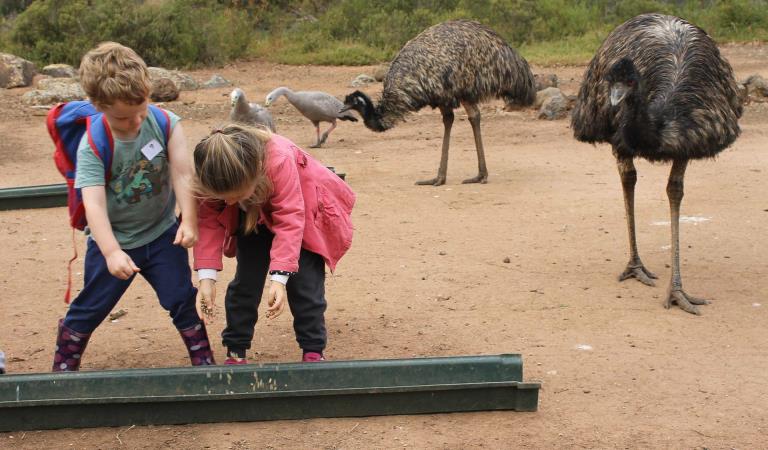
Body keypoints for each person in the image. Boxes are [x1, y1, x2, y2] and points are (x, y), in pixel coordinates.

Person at [51, 42, 215, 372]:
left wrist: (189, 220)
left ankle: (203, 360)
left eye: (142, 108)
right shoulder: (93, 143)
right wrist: (111, 252)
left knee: (181, 297)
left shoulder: (165, 123)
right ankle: (64, 365)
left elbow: (183, 173)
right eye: (124, 117)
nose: (137, 121)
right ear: (99, 106)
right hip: (115, 239)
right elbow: (93, 203)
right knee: (92, 306)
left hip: (161, 233)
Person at [192, 124, 355, 364]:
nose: (227, 201)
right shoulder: (212, 167)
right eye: (221, 197)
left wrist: (279, 279)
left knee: (305, 286)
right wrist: (206, 278)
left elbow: (290, 219)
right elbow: (207, 221)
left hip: (301, 215)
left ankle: (313, 350)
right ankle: (236, 350)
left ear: (253, 175)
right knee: (246, 283)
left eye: (233, 195)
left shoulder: (278, 159)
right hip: (252, 219)